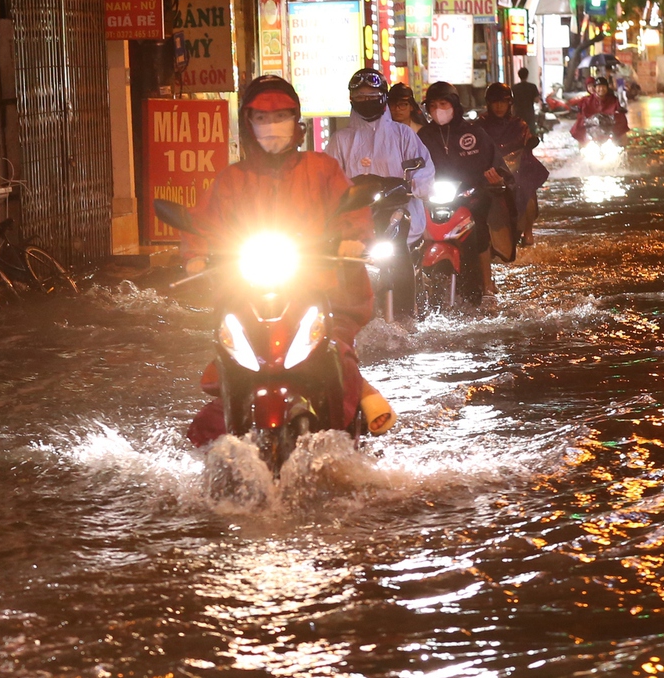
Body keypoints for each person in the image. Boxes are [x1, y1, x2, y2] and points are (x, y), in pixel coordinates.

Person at [182, 75, 394, 441]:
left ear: (295, 120)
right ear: (248, 123)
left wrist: (351, 241)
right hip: (248, 293)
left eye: (279, 116)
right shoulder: (232, 179)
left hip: (320, 288)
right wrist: (197, 256)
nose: (271, 125)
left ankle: (352, 408)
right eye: (262, 118)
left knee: (337, 353)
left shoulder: (322, 168)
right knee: (225, 370)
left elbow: (351, 213)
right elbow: (205, 224)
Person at [325, 68, 435, 283]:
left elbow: (424, 170)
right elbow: (328, 177)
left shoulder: (403, 134)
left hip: (397, 212)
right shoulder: (340, 140)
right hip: (354, 217)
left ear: (383, 97)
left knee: (397, 244)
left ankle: (405, 313)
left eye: (372, 96)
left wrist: (412, 186)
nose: (366, 100)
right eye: (360, 97)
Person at [418, 80, 501, 308]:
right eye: (433, 105)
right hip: (433, 197)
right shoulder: (423, 136)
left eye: (443, 103)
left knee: (479, 230)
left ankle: (486, 285)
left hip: (469, 197)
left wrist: (496, 177)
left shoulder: (474, 133)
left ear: (454, 104)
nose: (438, 110)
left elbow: (494, 163)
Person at [477, 82, 551, 250]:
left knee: (528, 190)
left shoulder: (519, 124)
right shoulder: (479, 125)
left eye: (503, 102)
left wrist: (529, 143)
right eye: (495, 102)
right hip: (489, 170)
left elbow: (527, 141)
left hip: (515, 169)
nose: (499, 106)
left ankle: (528, 231)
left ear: (509, 103)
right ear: (489, 103)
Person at [570, 76, 623, 145]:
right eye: (599, 87)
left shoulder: (613, 99)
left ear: (607, 88)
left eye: (603, 87)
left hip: (608, 129)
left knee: (622, 136)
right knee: (581, 135)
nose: (601, 89)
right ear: (595, 88)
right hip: (591, 129)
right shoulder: (586, 100)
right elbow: (581, 112)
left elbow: (618, 110)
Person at [512, 67, 543, 135]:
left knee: (519, 132)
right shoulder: (532, 86)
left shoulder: (514, 88)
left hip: (518, 113)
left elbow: (512, 102)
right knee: (530, 133)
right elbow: (536, 100)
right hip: (529, 113)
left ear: (519, 76)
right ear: (527, 75)